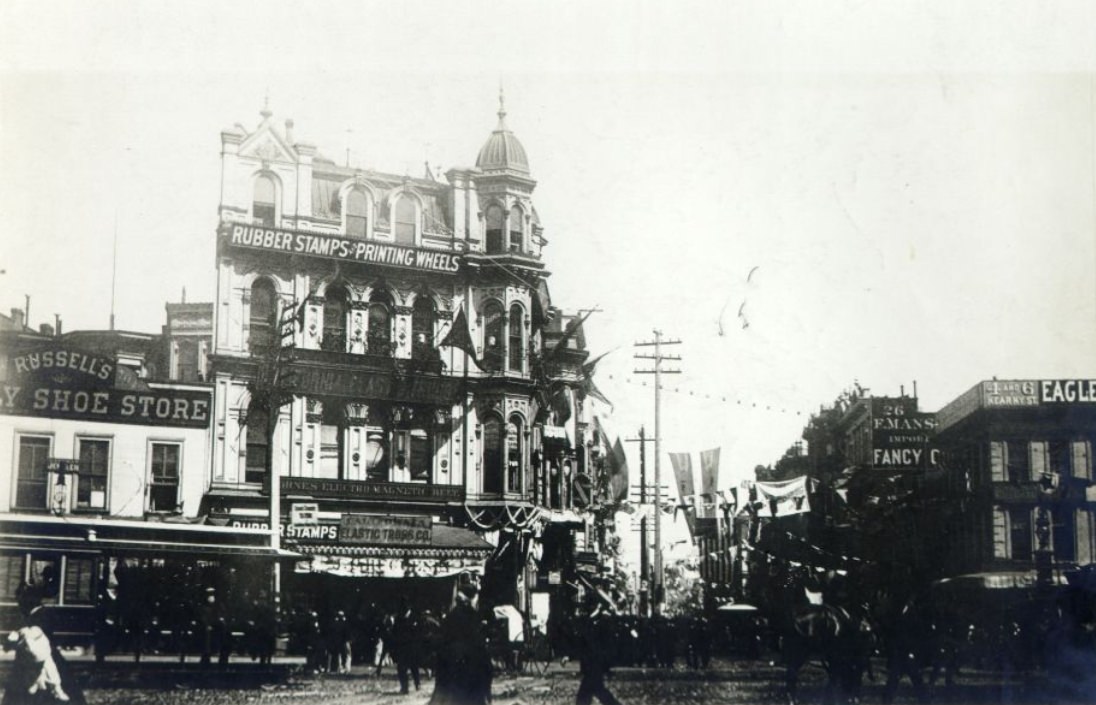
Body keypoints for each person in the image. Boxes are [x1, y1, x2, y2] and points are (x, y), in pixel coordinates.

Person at [2, 582, 86, 705]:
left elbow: (33, 634)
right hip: (34, 658)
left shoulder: (40, 615)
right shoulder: (37, 614)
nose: (19, 604)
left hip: (41, 659)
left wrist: (13, 641)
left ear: (30, 600)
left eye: (21, 600)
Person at [429, 583, 491, 705]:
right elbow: (478, 643)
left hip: (450, 664)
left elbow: (442, 638)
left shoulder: (451, 616)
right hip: (470, 665)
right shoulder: (474, 616)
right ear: (472, 598)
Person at [574, 614, 622, 705]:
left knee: (586, 694)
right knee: (598, 691)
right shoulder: (592, 625)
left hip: (593, 666)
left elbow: (590, 647)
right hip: (593, 666)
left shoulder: (593, 626)